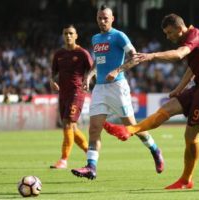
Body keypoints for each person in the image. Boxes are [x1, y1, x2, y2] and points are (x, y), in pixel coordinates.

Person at [103, 13, 199, 189]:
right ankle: (129, 130)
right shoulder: (191, 39)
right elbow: (192, 67)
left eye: (169, 32)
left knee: (190, 136)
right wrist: (179, 89)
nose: (168, 36)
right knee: (165, 110)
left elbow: (178, 55)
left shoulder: (193, 36)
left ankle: (186, 179)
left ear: (179, 28)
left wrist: (152, 56)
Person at [71, 5, 164, 180]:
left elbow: (134, 57)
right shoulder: (96, 38)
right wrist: (89, 76)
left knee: (132, 127)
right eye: (99, 18)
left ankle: (154, 149)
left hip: (117, 87)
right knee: (94, 129)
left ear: (112, 18)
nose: (102, 21)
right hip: (99, 88)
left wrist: (117, 70)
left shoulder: (119, 36)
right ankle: (91, 167)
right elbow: (98, 61)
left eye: (105, 18)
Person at [50, 24, 93, 169]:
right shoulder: (59, 54)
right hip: (63, 93)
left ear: (76, 36)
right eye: (66, 33)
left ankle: (63, 159)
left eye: (71, 33)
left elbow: (93, 68)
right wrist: (52, 82)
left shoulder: (82, 53)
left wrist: (87, 80)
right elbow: (54, 73)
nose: (68, 36)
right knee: (71, 127)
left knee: (68, 124)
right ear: (63, 36)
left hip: (77, 92)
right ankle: (90, 152)